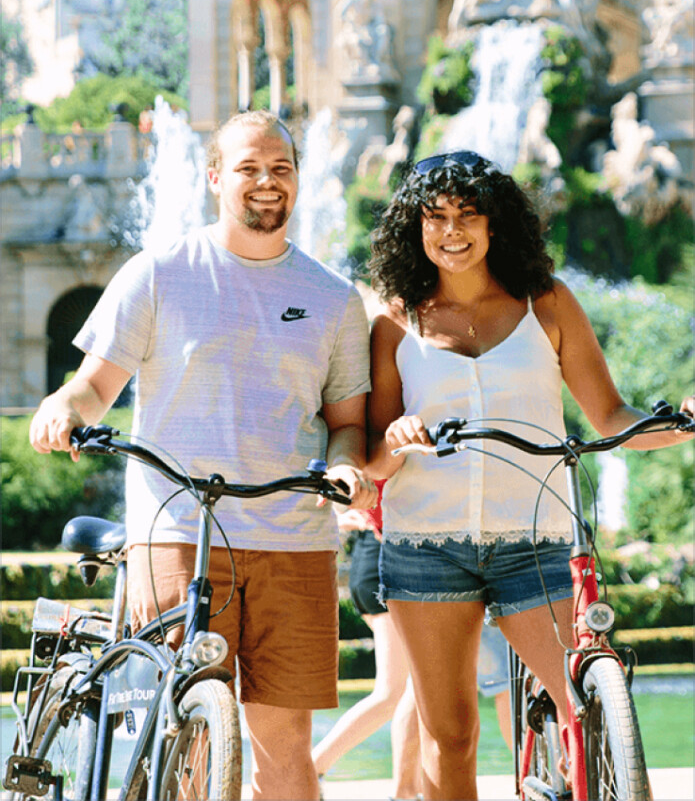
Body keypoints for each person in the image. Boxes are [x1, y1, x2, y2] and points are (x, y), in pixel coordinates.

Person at [29, 109, 378, 801]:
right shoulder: (158, 274)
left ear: (298, 180)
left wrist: (346, 467)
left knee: (285, 751)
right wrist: (64, 408)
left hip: (294, 542)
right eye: (248, 167)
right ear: (215, 176)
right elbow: (96, 385)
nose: (265, 182)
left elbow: (346, 423)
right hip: (179, 533)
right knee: (181, 739)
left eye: (280, 168)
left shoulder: (333, 299)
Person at [365, 149, 693, 800]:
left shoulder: (545, 304)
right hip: (426, 546)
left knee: (587, 707)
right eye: (434, 217)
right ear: (415, 226)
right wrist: (396, 440)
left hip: (533, 540)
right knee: (451, 736)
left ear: (495, 225)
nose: (450, 231)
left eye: (466, 215)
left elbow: (609, 416)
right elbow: (372, 455)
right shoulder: (393, 318)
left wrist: (685, 422)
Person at [312, 487, 421, 801]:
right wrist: (339, 518)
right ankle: (312, 767)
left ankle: (411, 789)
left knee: (411, 689)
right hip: (382, 563)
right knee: (396, 692)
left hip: (376, 561)